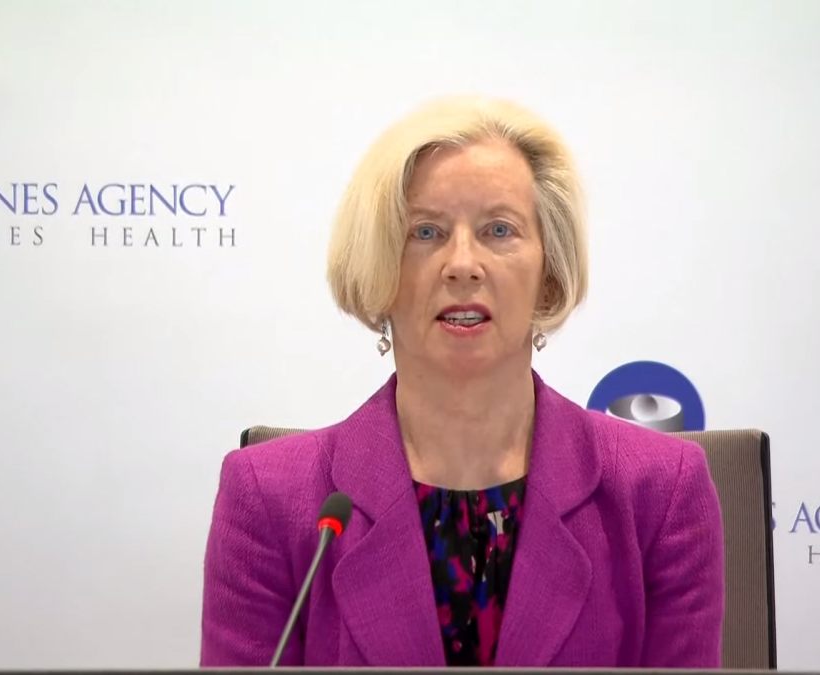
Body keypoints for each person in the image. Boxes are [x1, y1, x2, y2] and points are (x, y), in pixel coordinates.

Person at [200, 95, 724, 667]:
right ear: (378, 268)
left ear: (549, 273)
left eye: (499, 229)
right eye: (426, 232)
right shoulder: (271, 498)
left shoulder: (660, 493)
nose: (463, 265)